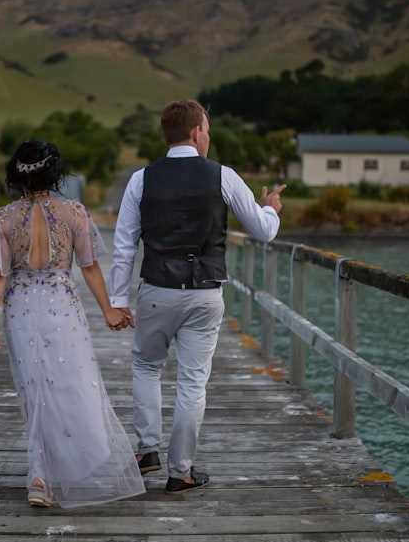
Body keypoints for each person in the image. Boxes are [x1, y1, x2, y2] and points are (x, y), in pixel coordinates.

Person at [109, 99, 285, 494]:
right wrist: (270, 208)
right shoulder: (223, 176)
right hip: (205, 294)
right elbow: (263, 230)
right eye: (206, 129)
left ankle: (148, 450)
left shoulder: (141, 179)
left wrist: (118, 299)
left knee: (146, 367)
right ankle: (180, 471)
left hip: (156, 289)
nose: (208, 136)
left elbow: (123, 245)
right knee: (192, 383)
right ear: (195, 133)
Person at [0, 139, 145, 508]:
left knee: (34, 389)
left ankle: (39, 475)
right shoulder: (74, 212)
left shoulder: (4, 219)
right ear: (55, 173)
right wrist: (108, 309)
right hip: (62, 307)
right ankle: (60, 466)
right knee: (71, 385)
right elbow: (88, 266)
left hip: (21, 307)